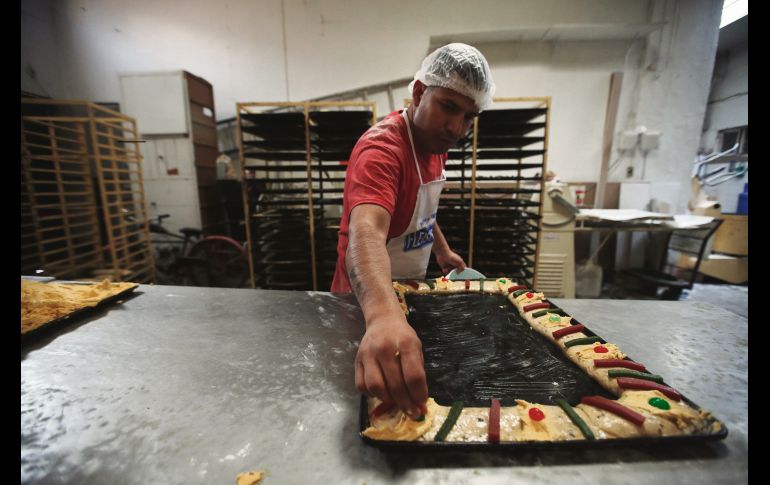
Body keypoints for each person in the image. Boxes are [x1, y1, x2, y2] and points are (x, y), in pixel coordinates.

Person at [331, 43, 496, 419]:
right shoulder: (382, 150)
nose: (457, 127)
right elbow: (367, 230)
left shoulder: (435, 143)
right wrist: (382, 317)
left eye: (469, 116)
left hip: (406, 294)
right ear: (420, 92)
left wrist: (441, 249)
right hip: (366, 306)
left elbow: (418, 203)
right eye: (449, 107)